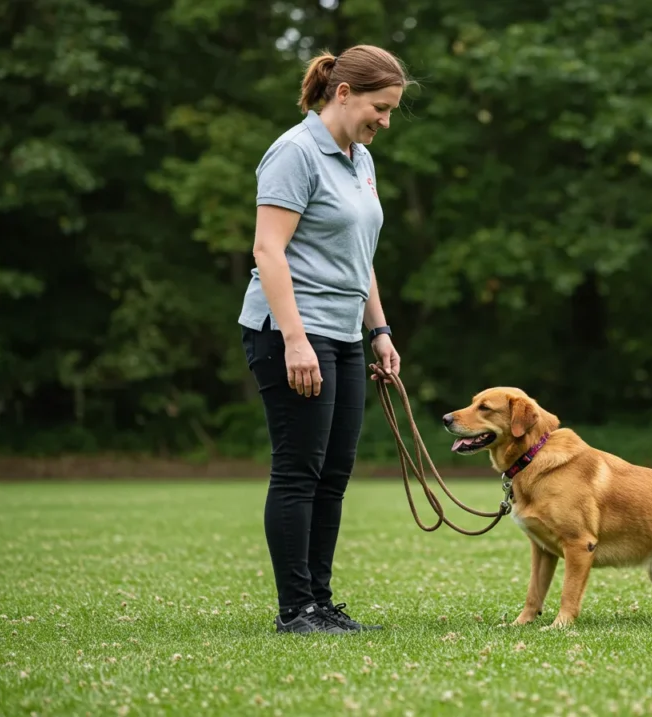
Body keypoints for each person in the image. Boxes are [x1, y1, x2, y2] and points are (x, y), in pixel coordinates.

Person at [237, 45, 412, 634]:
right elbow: (268, 249)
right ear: (343, 93)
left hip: (342, 331)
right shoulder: (294, 152)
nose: (385, 121)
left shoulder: (359, 158)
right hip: (290, 329)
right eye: (380, 108)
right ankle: (296, 610)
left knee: (334, 473)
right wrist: (294, 339)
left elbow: (359, 256)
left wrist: (380, 329)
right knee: (298, 471)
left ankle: (321, 602)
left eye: (390, 111)